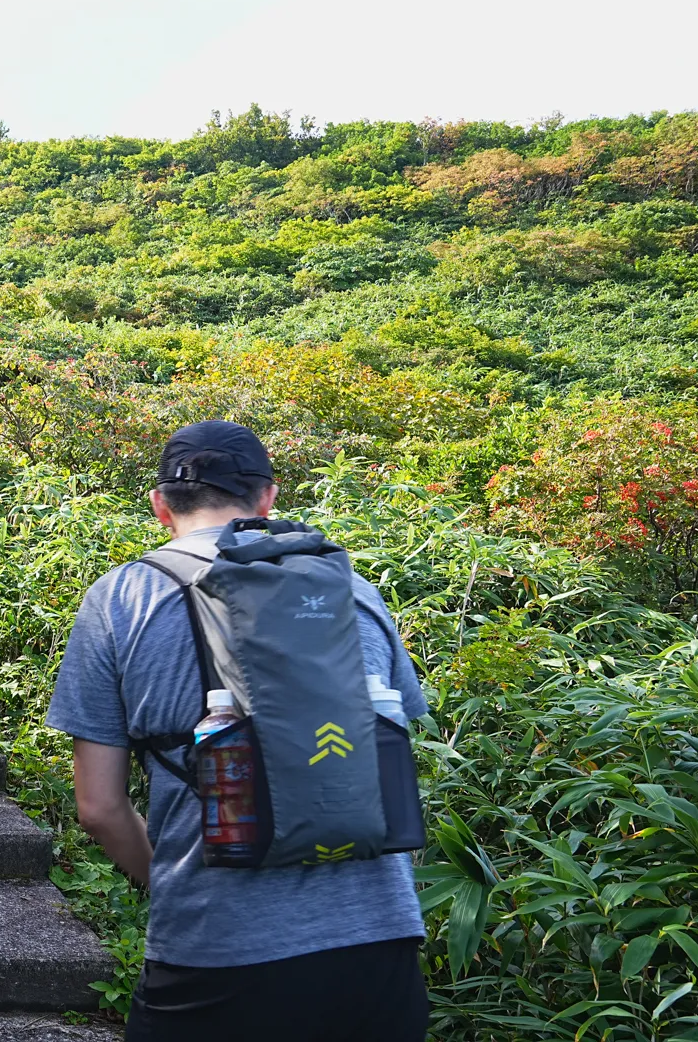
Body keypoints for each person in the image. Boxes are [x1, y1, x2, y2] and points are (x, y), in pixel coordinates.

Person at [45, 420, 430, 1042]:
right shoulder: (351, 590)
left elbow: (98, 807)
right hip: (378, 951)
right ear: (268, 498)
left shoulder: (123, 598)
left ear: (160, 506)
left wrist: (160, 882)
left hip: (216, 950)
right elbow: (393, 733)